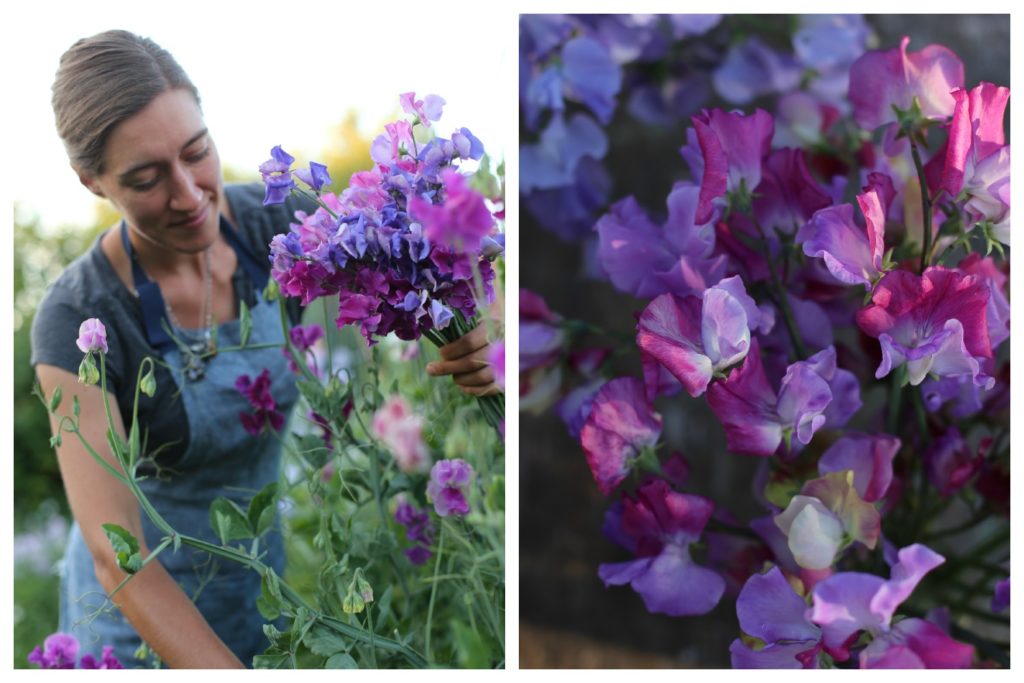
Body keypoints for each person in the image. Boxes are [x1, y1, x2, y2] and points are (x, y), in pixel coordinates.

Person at [31, 29, 498, 669]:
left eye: (196, 152)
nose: (190, 194)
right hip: (135, 632)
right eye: (146, 178)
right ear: (92, 183)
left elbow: (440, 246)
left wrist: (479, 315)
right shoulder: (77, 316)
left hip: (260, 599)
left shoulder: (270, 229)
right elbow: (121, 555)